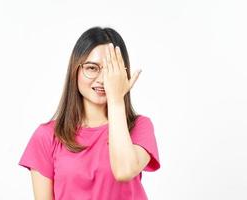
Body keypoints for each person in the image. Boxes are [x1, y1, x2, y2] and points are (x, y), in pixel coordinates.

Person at [18, 26, 161, 200]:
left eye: (110, 70)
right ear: (75, 70)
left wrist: (116, 100)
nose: (102, 79)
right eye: (92, 68)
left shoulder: (140, 127)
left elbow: (124, 171)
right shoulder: (47, 136)